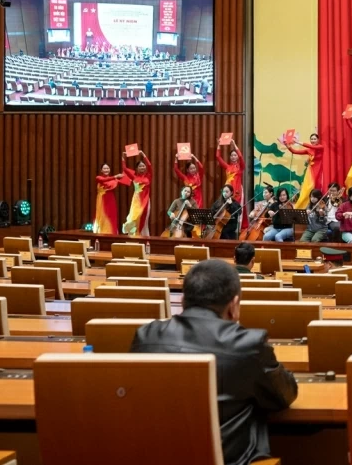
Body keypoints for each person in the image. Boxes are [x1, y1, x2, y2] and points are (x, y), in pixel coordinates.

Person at [130, 260, 297, 465]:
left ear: (183, 300)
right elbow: (284, 395)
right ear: (234, 306)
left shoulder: (145, 336)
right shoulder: (248, 344)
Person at [286, 132, 325, 208]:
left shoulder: (320, 147)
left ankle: (316, 205)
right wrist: (288, 146)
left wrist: (298, 142)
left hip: (319, 170)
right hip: (310, 171)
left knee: (316, 187)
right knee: (307, 188)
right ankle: (303, 205)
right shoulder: (309, 150)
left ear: (318, 140)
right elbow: (294, 152)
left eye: (314, 139)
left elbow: (312, 147)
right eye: (311, 139)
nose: (313, 140)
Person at [121, 150, 154, 237]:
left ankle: (145, 237)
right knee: (134, 217)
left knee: (144, 219)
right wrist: (123, 157)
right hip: (136, 201)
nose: (142, 167)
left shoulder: (148, 176)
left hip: (146, 201)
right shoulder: (134, 176)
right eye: (140, 166)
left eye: (143, 166)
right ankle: (133, 235)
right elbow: (124, 169)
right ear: (137, 168)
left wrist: (144, 155)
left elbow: (150, 166)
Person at [215, 141, 245, 225]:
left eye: (235, 155)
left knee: (236, 208)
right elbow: (218, 156)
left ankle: (237, 228)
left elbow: (241, 157)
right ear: (230, 157)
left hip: (237, 189)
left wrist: (235, 145)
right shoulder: (227, 167)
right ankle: (224, 224)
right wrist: (219, 144)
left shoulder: (241, 166)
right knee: (225, 206)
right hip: (227, 189)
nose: (233, 157)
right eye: (232, 155)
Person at [93, 161, 125, 235]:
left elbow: (126, 180)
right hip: (101, 201)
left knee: (111, 216)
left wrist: (123, 161)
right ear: (101, 170)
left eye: (107, 168)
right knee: (101, 216)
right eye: (104, 168)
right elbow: (103, 180)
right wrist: (115, 176)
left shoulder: (114, 179)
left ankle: (112, 232)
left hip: (110, 200)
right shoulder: (98, 177)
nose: (106, 170)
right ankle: (100, 232)